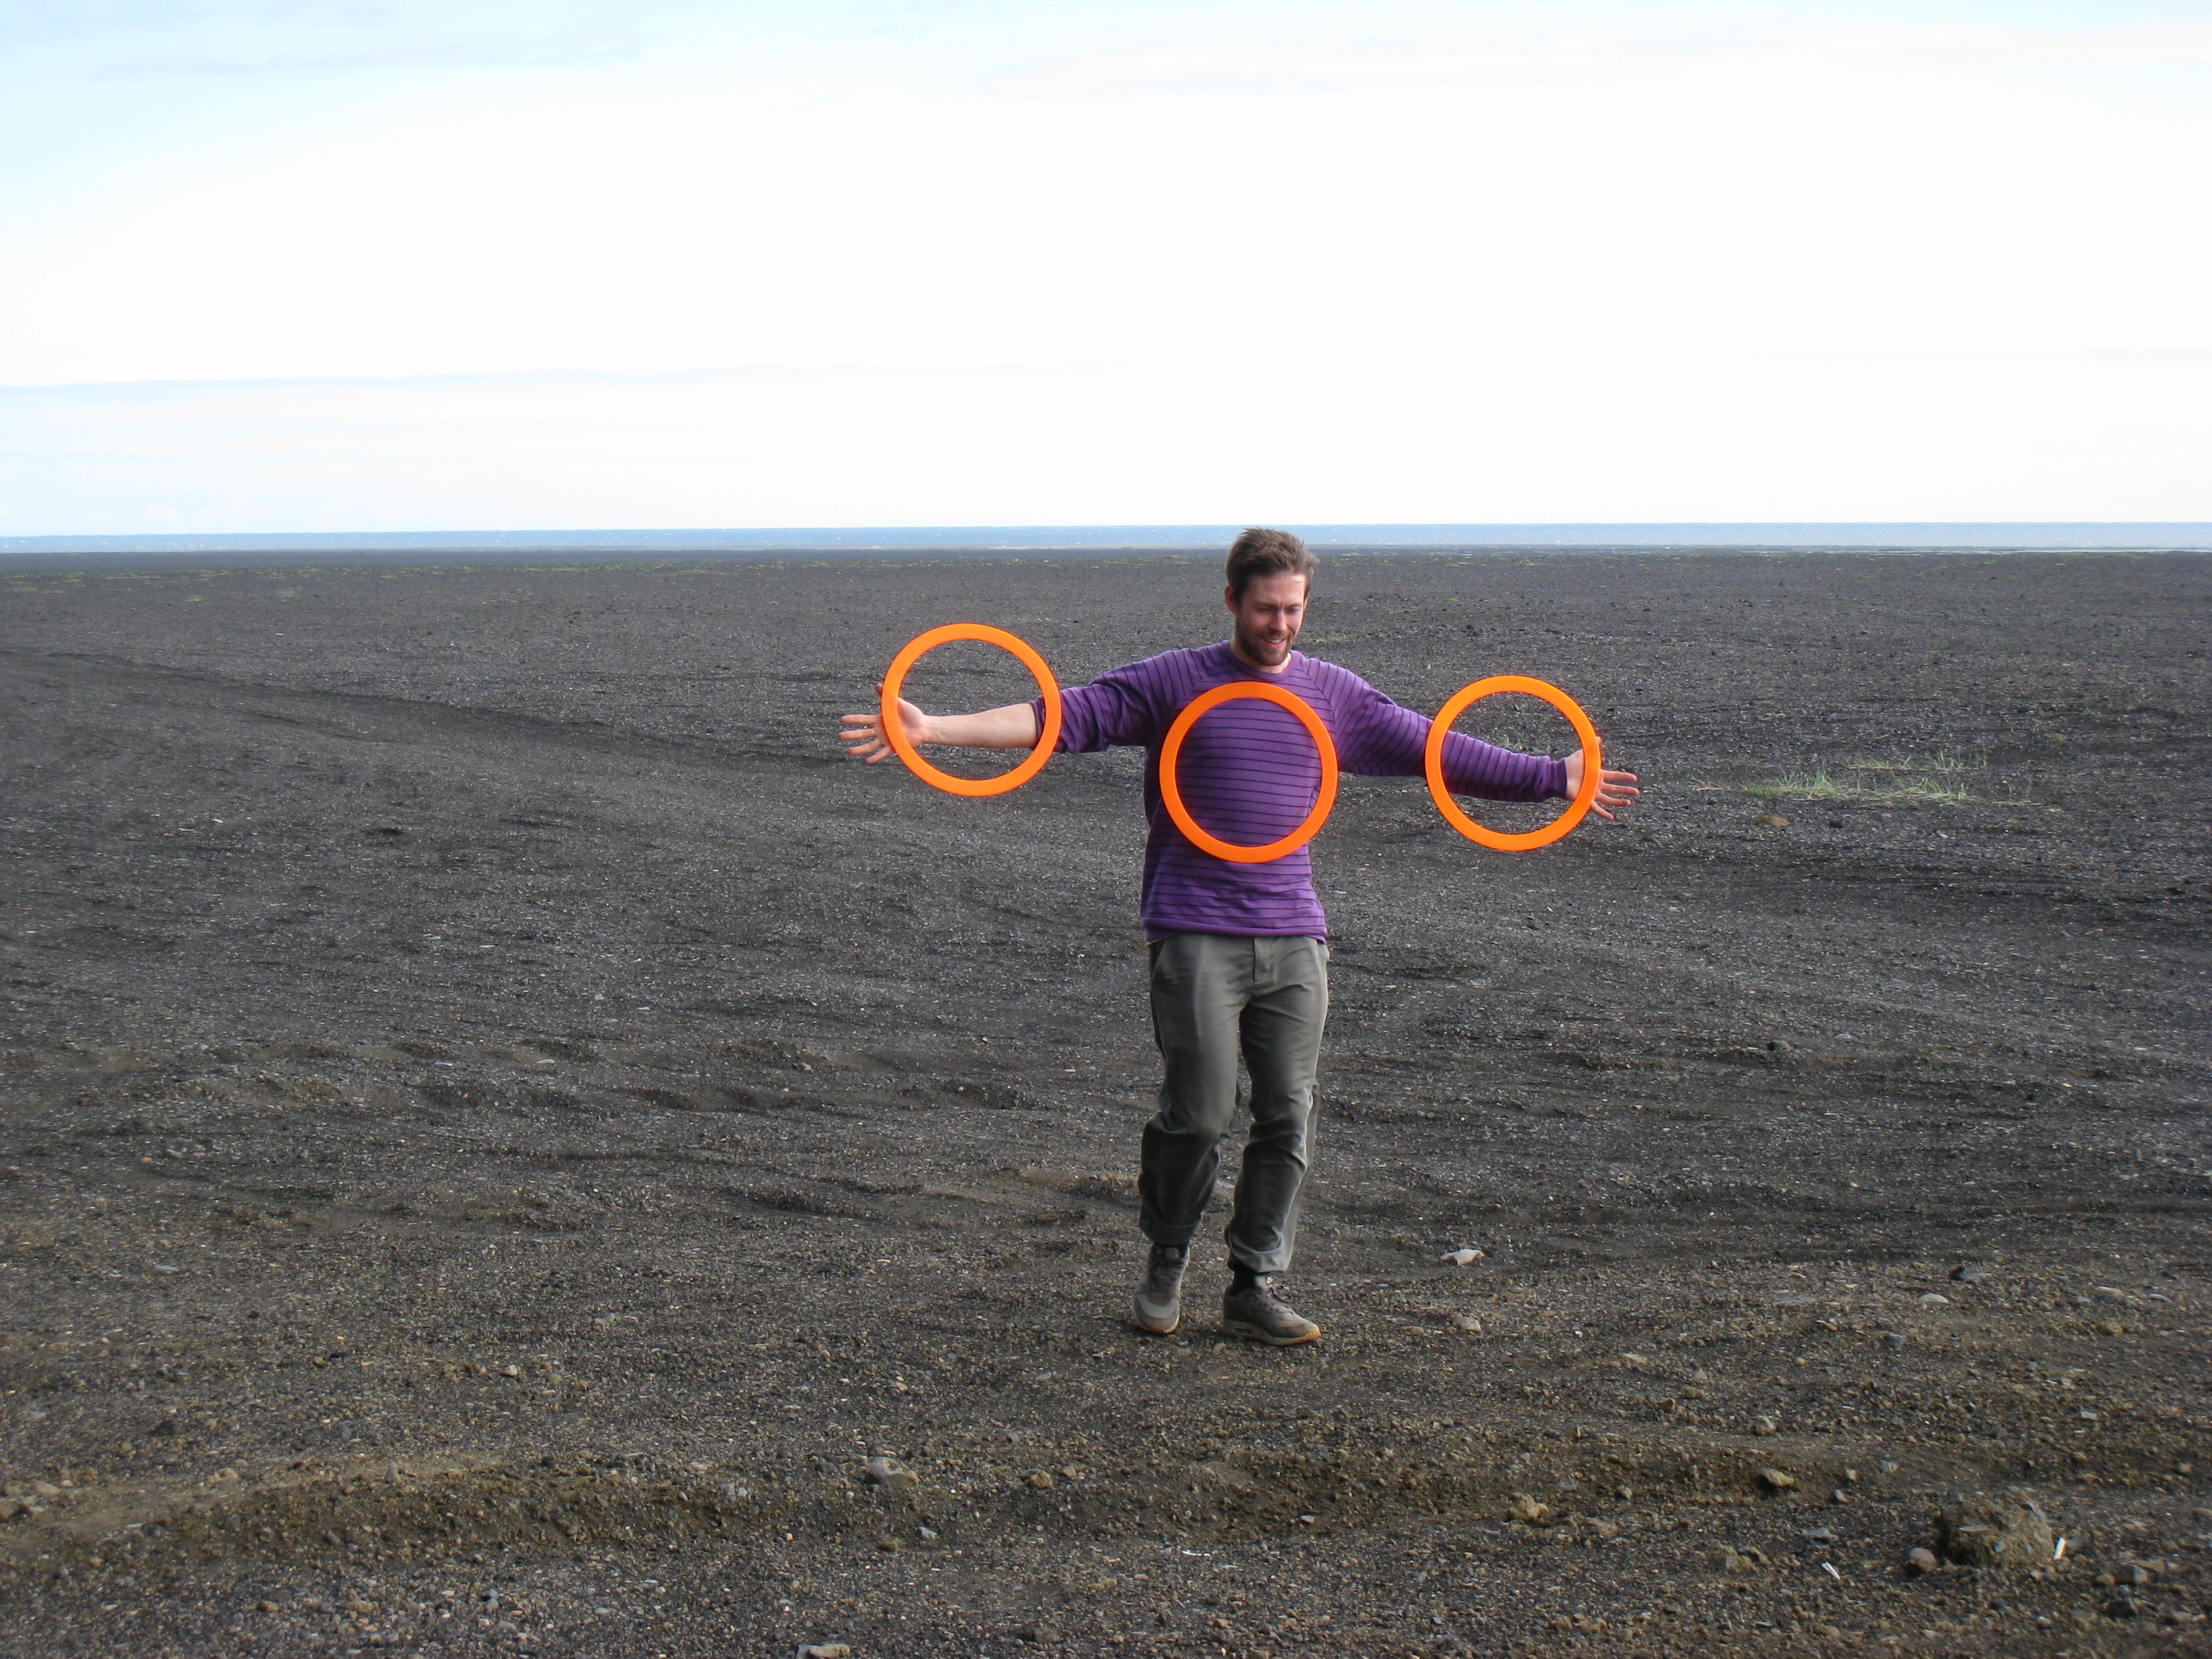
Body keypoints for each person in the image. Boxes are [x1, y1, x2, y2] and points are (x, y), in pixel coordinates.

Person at [840, 529, 1638, 1345]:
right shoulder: (1175, 680)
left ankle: (1255, 1283)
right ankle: (1168, 1254)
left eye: (1293, 609)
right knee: (1199, 1114)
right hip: (1194, 933)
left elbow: (1437, 750)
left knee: (1288, 1114)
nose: (1281, 625)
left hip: (1295, 935)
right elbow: (1059, 717)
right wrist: (933, 728)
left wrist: (1554, 776)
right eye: (1266, 609)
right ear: (1232, 600)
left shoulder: (1333, 694)